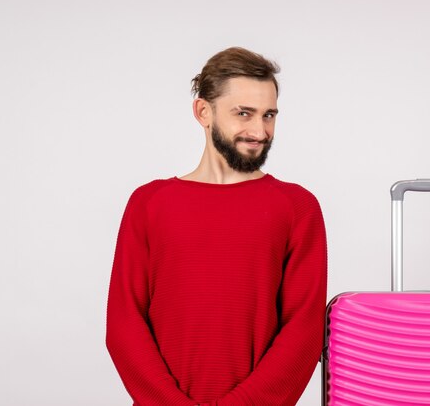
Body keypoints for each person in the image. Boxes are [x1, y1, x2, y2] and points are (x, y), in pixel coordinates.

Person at [106, 47, 327, 406]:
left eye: (269, 115)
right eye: (244, 114)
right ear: (203, 112)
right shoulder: (149, 203)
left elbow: (303, 332)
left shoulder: (297, 207)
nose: (260, 130)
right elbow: (123, 324)